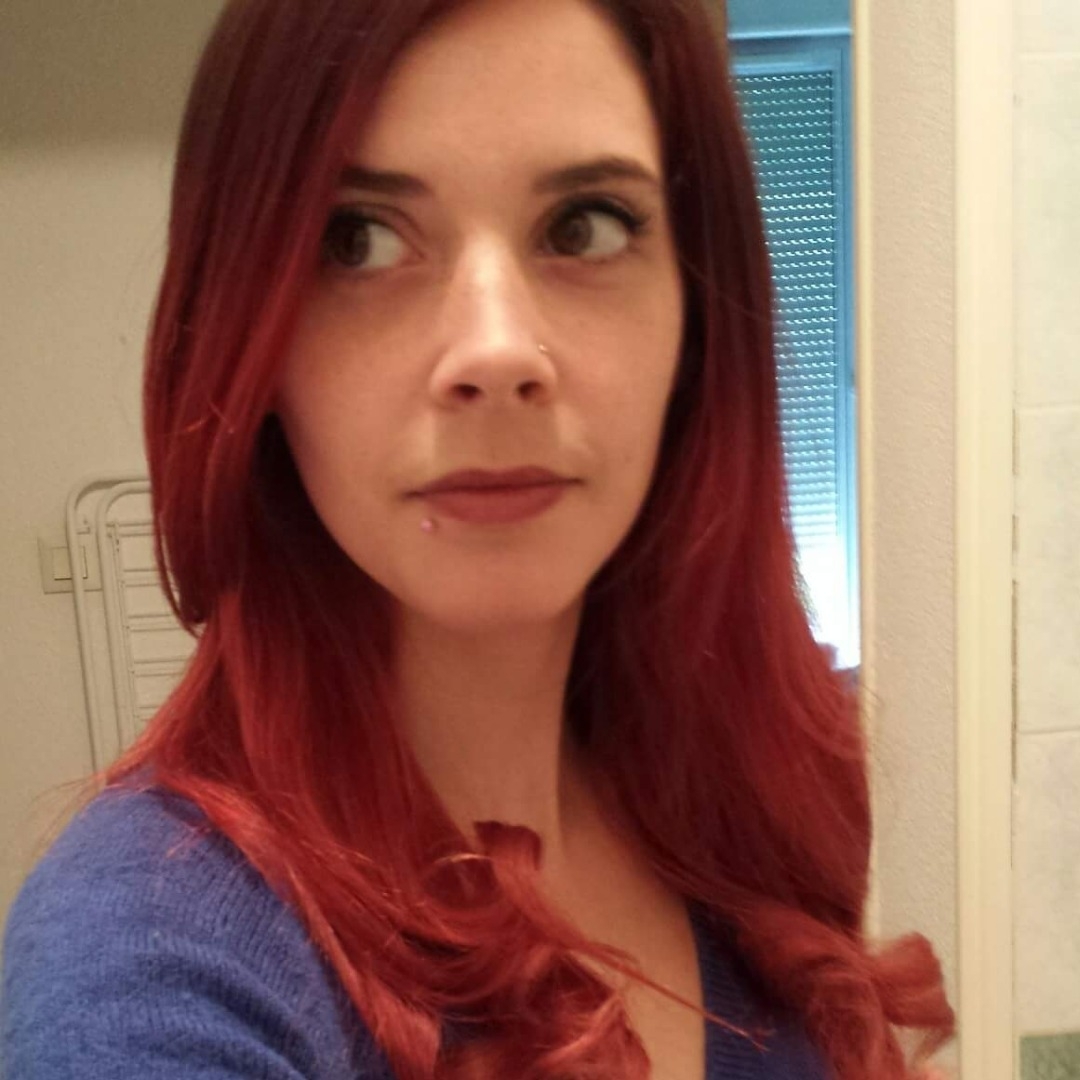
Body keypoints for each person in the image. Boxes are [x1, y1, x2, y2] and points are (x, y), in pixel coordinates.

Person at [1, 0, 956, 1077]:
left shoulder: (745, 794)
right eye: (357, 239)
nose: (496, 352)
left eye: (585, 225)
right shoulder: (155, 948)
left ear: (694, 313)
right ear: (251, 344)